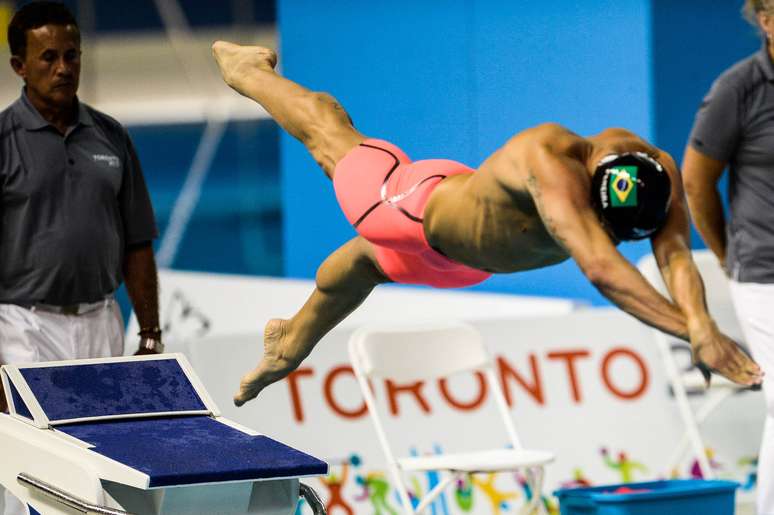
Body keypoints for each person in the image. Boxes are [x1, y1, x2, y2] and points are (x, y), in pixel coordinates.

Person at [209, 41, 763, 410]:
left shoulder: (656, 171)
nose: (612, 236)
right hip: (408, 208)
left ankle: (291, 338)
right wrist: (695, 333)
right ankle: (246, 70)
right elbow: (601, 269)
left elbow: (674, 256)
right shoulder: (549, 161)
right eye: (605, 225)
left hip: (466, 264)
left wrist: (703, 324)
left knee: (360, 267)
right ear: (589, 188)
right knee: (332, 138)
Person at [0, 3, 161, 513]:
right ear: (19, 66)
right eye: (48, 57)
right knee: (26, 469)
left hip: (99, 321)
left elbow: (137, 242)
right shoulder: (2, 142)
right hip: (23, 324)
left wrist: (150, 333)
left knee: (105, 460)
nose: (63, 67)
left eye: (72, 55)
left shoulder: (111, 136)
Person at [682, 1, 774, 512]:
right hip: (764, 273)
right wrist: (726, 255)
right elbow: (696, 184)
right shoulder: (738, 89)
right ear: (766, 20)